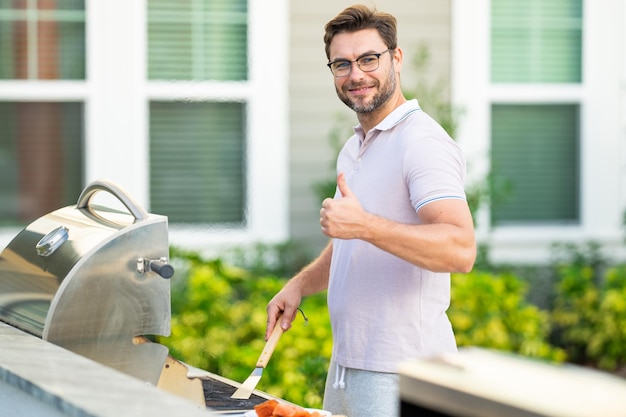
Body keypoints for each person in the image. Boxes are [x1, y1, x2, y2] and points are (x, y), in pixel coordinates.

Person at [265, 4, 476, 417]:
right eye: (341, 64)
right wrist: (300, 285)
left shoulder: (422, 142)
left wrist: (364, 225)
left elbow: (460, 248)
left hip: (403, 372)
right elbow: (352, 243)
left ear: (396, 58)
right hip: (347, 367)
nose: (355, 74)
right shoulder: (357, 145)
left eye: (368, 59)